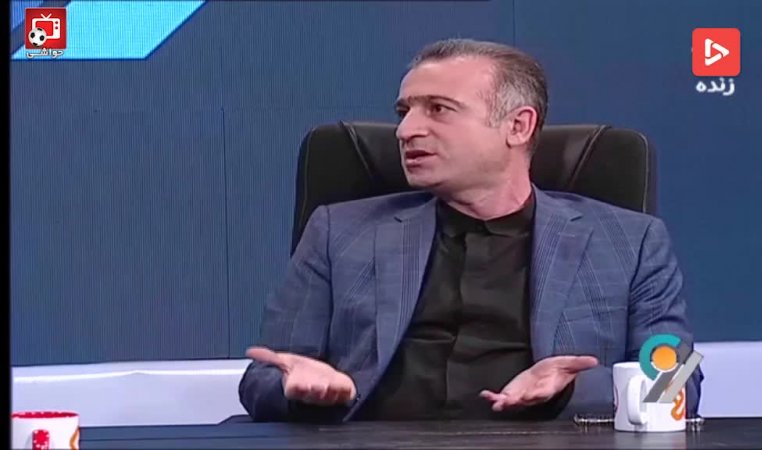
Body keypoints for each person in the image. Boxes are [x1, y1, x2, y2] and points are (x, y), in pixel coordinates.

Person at [238, 38, 703, 423]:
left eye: (438, 109)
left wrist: (573, 389)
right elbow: (263, 377)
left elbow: (677, 382)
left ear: (518, 126)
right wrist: (298, 389)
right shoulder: (338, 232)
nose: (405, 131)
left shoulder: (630, 241)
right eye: (404, 111)